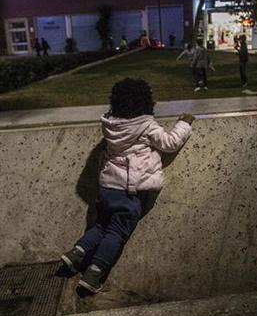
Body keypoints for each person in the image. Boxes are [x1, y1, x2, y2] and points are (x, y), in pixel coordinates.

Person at [58, 78, 194, 294]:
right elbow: (170, 143)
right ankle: (94, 274)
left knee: (100, 225)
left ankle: (76, 253)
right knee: (116, 232)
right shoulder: (147, 125)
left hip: (107, 187)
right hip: (130, 190)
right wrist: (184, 123)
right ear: (146, 102)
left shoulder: (110, 124)